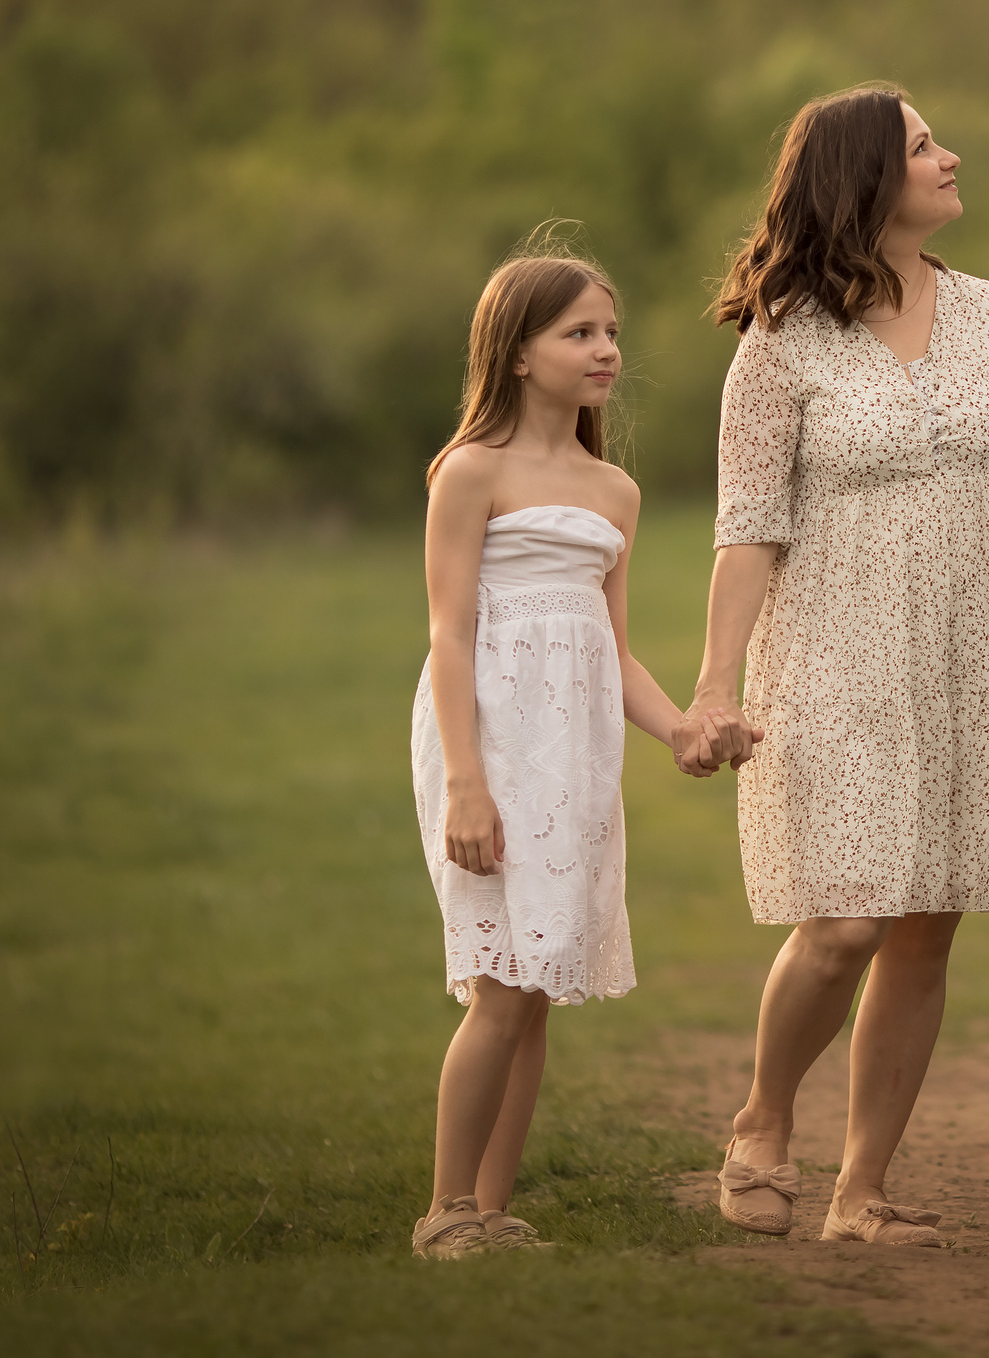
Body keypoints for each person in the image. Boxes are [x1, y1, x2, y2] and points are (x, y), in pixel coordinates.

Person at [686, 85, 989, 1247]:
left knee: (926, 928)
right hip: (834, 656)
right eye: (924, 147)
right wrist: (717, 685)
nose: (950, 157)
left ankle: (861, 1193)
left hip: (974, 656)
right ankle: (764, 1118)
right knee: (845, 923)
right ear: (866, 181)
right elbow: (747, 524)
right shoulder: (781, 347)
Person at [409, 247, 726, 1260]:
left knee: (535, 984)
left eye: (611, 331)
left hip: (572, 747)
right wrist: (466, 780)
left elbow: (611, 643)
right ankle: (443, 1213)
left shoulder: (613, 490)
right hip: (491, 739)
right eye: (579, 333)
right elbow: (448, 633)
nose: (606, 351)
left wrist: (678, 724)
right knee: (498, 985)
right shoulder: (471, 472)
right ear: (515, 353)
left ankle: (492, 1213)